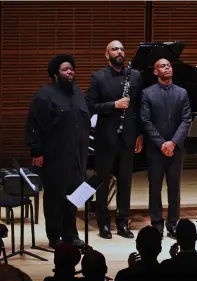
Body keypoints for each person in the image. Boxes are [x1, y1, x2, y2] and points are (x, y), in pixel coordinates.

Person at [25, 54, 90, 248]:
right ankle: (55, 236)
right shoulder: (44, 95)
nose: (70, 72)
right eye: (65, 69)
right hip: (54, 155)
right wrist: (36, 152)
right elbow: (34, 125)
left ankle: (71, 233)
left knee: (73, 197)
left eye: (71, 69)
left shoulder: (78, 93)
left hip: (77, 156)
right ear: (55, 74)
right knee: (54, 198)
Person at [86, 40, 143, 239]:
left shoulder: (134, 76)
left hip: (127, 138)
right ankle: (103, 223)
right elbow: (90, 105)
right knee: (102, 182)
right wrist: (114, 105)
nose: (119, 51)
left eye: (121, 48)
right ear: (106, 54)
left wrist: (140, 134)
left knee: (125, 182)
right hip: (105, 138)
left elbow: (139, 107)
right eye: (114, 49)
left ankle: (122, 222)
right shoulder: (98, 77)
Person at [140, 58, 192, 238]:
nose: (167, 68)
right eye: (162, 66)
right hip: (156, 149)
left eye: (169, 65)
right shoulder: (147, 93)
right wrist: (162, 143)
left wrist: (173, 142)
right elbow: (146, 121)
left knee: (174, 188)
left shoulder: (182, 93)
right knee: (155, 188)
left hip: (176, 149)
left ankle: (173, 224)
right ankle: (156, 224)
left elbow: (186, 120)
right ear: (155, 72)